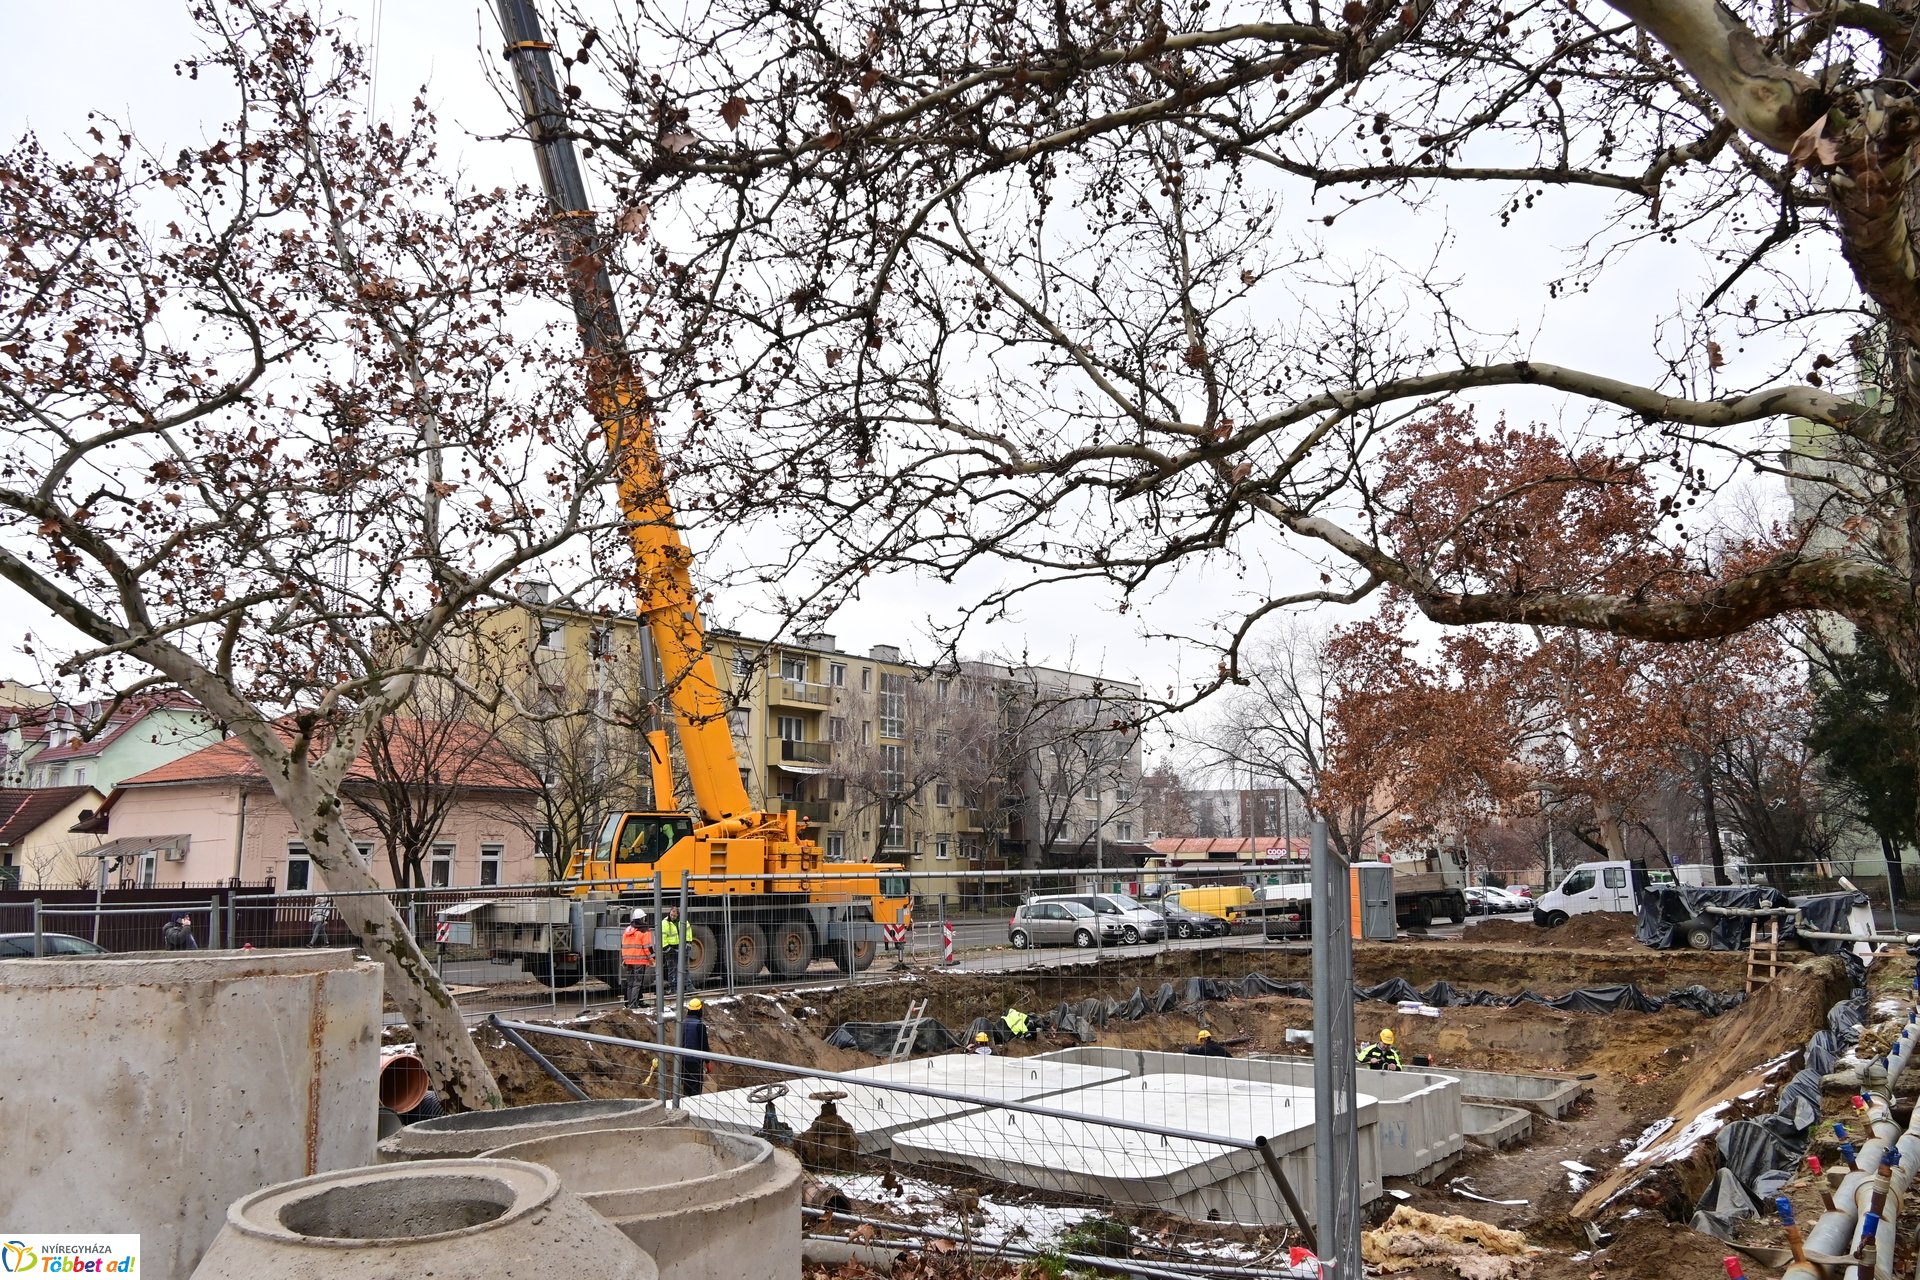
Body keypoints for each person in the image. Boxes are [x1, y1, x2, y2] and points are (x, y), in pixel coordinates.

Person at [622, 909, 654, 1009]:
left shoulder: (628, 930)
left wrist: (624, 959)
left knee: (630, 984)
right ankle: (633, 1005)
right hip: (639, 961)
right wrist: (652, 959)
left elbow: (623, 946)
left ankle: (628, 1003)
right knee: (637, 984)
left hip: (628, 961)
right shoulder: (644, 930)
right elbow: (647, 948)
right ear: (642, 918)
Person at [679, 997, 711, 1097]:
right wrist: (708, 1062)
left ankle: (686, 1106)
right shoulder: (700, 1025)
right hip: (695, 1061)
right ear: (699, 1010)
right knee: (695, 1086)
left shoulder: (682, 1023)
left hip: (683, 1060)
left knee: (687, 1085)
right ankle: (694, 1107)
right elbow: (704, 1045)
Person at [657, 906, 683, 994]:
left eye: (674, 915)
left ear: (677, 915)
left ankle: (676, 987)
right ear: (669, 913)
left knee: (677, 969)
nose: (672, 917)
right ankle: (673, 988)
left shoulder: (679, 922)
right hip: (669, 949)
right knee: (672, 969)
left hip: (678, 948)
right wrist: (667, 949)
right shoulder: (665, 923)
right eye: (671, 915)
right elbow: (662, 937)